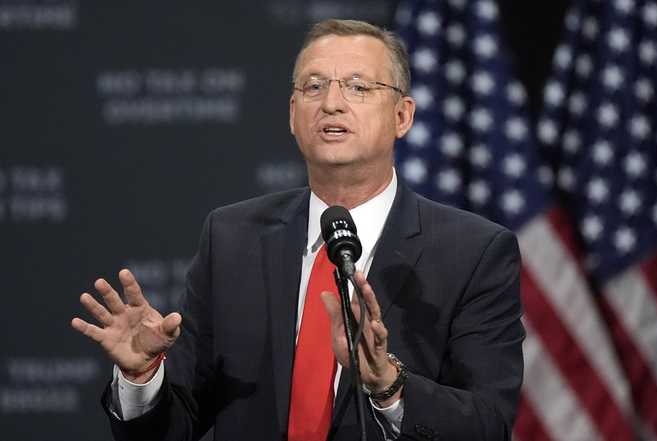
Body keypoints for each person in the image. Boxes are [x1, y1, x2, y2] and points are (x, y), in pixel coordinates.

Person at [72, 19, 524, 441]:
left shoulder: (473, 253)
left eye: (358, 87)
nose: (331, 102)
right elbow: (176, 424)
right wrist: (142, 378)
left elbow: (489, 424)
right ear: (293, 114)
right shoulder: (233, 239)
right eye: (313, 86)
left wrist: (390, 387)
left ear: (402, 116)